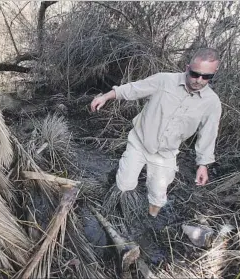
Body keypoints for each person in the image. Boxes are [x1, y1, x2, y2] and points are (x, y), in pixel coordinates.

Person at [91, 48, 222, 218]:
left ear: (214, 73)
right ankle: (117, 212)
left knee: (158, 194)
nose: (199, 80)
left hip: (166, 153)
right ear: (187, 67)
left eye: (206, 77)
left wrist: (203, 165)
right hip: (139, 142)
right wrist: (106, 97)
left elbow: (208, 133)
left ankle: (151, 218)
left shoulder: (212, 103)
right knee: (124, 185)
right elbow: (133, 89)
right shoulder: (164, 80)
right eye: (195, 73)